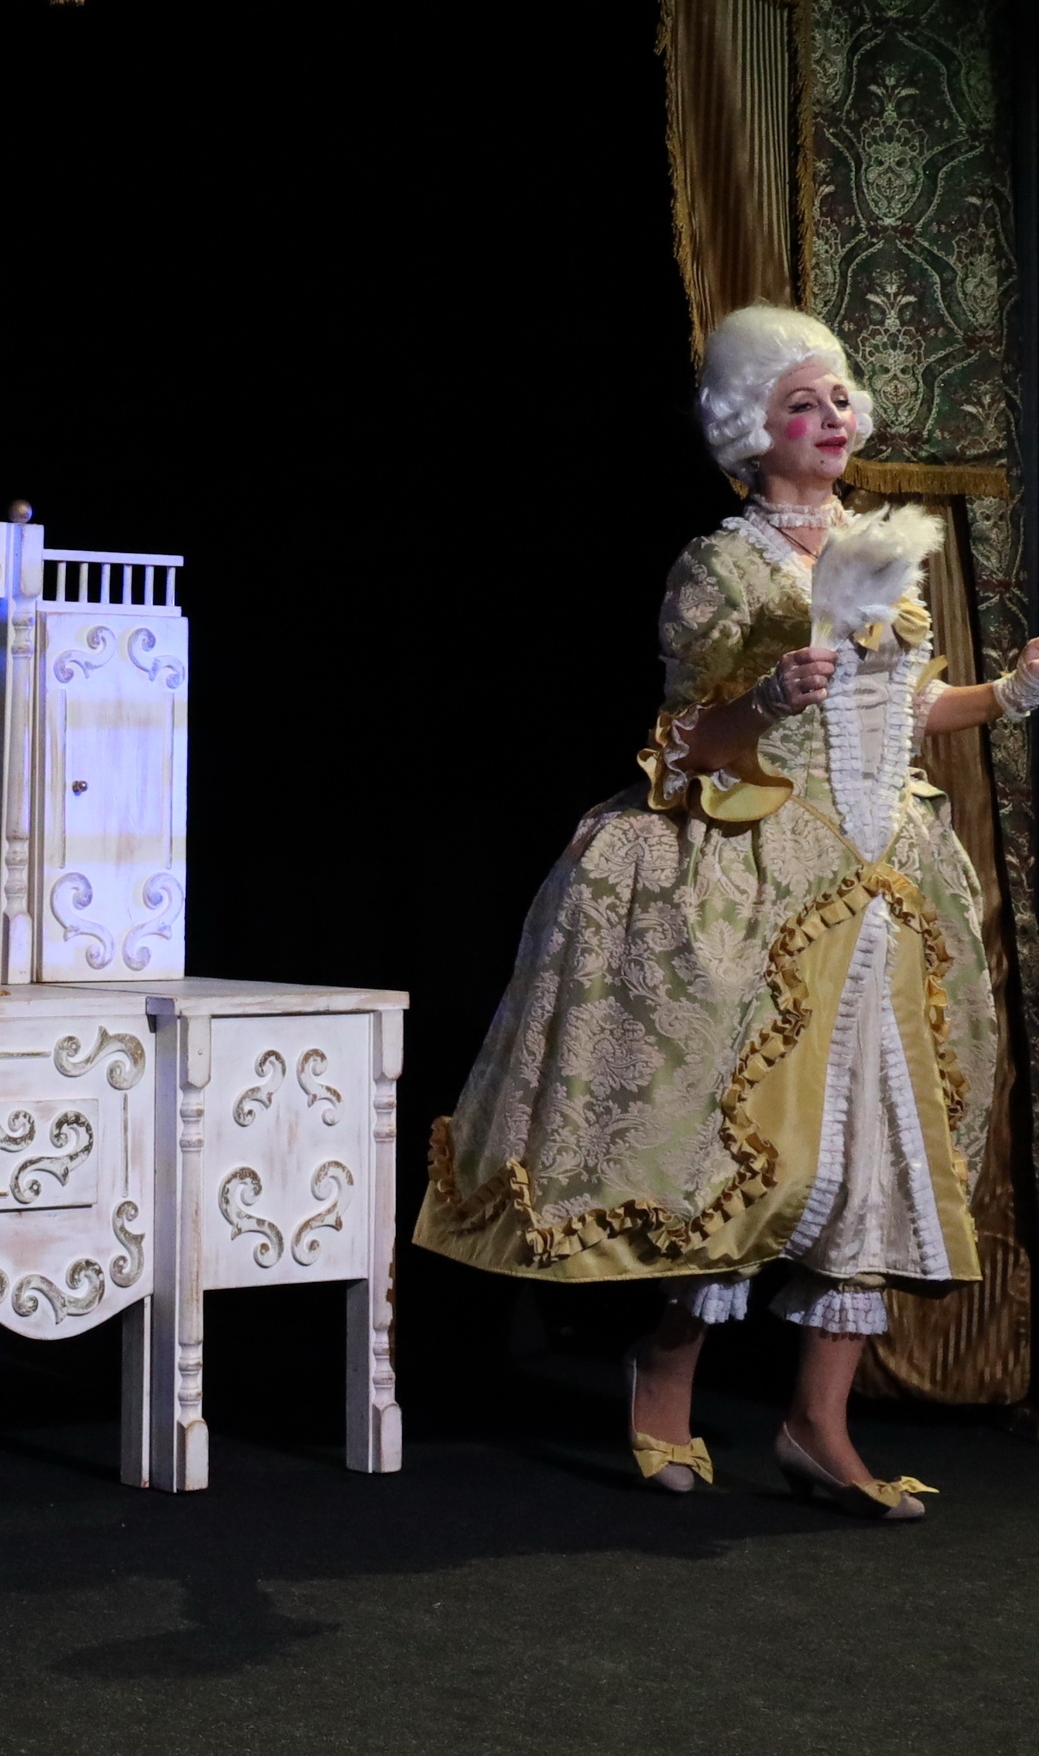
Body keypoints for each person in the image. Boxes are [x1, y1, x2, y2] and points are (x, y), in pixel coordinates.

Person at [415, 305, 1038, 1521]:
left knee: (873, 1151)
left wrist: (1004, 697)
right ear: (754, 429)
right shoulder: (724, 566)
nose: (832, 417)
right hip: (763, 878)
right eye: (804, 403)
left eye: (840, 397)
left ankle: (818, 1427)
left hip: (889, 883)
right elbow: (688, 741)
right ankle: (662, 1375)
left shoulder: (875, 548)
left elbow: (908, 709)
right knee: (739, 1149)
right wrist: (764, 699)